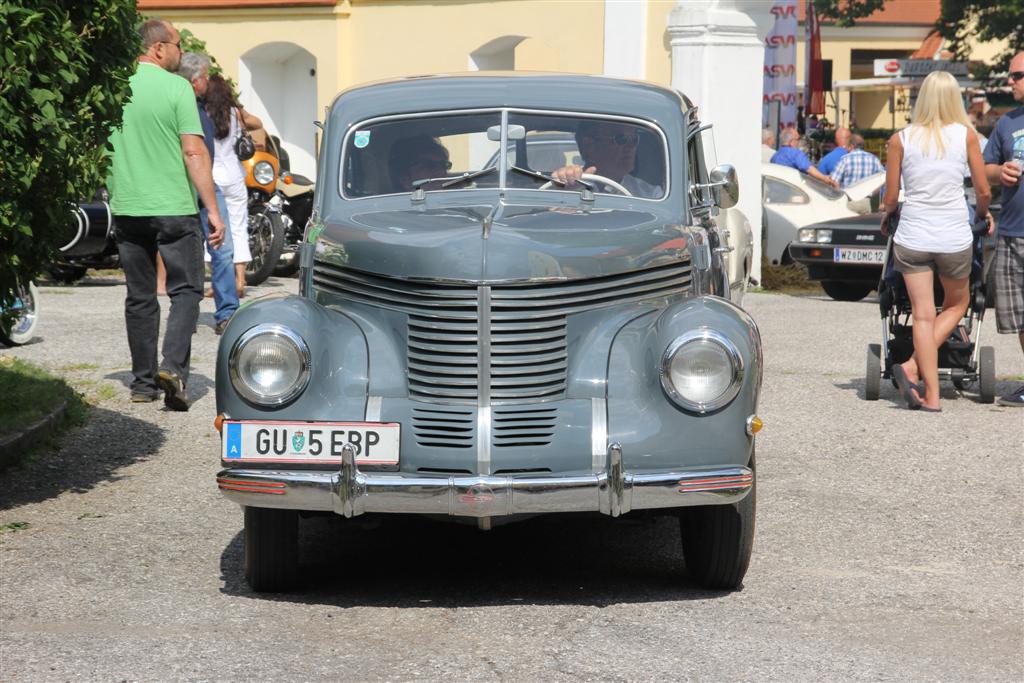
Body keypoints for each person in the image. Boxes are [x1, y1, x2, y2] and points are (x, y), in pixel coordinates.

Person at [106, 19, 225, 411]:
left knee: (140, 296)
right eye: (176, 44)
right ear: (158, 48)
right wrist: (212, 208)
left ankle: (142, 384)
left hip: (127, 206)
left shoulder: (116, 86)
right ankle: (172, 368)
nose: (180, 51)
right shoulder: (175, 88)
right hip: (174, 207)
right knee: (186, 290)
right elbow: (193, 152)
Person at [880, 70, 993, 412]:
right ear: (954, 98)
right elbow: (983, 189)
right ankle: (912, 368)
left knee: (923, 315)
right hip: (953, 236)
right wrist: (983, 213)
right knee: (958, 305)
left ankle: (929, 395)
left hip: (913, 235)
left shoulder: (901, 139)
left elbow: (891, 195)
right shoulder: (966, 136)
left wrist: (887, 216)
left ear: (923, 99)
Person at [177, 53, 239, 335]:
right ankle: (188, 315)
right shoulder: (179, 104)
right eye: (205, 76)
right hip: (187, 184)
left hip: (206, 182)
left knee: (221, 247)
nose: (208, 81)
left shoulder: (201, 105)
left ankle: (227, 312)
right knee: (192, 251)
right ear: (195, 80)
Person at [983, 51, 1024, 407]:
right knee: (1021, 316)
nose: (1010, 81)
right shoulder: (1006, 123)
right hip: (1013, 231)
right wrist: (1001, 173)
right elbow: (985, 169)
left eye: (1017, 75)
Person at [204, 73, 263, 298]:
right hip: (235, 176)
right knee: (238, 227)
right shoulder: (235, 112)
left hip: (212, 177)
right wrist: (239, 110)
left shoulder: (203, 114)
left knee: (214, 231)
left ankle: (217, 284)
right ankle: (240, 280)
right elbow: (258, 123)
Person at [550, 120, 662, 198]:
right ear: (590, 145)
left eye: (634, 139)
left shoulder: (651, 195)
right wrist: (563, 191)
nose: (630, 146)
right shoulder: (570, 184)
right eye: (621, 139)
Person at [770, 127, 837, 187]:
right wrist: (825, 178)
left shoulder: (775, 156)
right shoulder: (796, 154)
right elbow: (810, 170)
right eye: (798, 139)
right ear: (791, 142)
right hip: (792, 191)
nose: (799, 141)